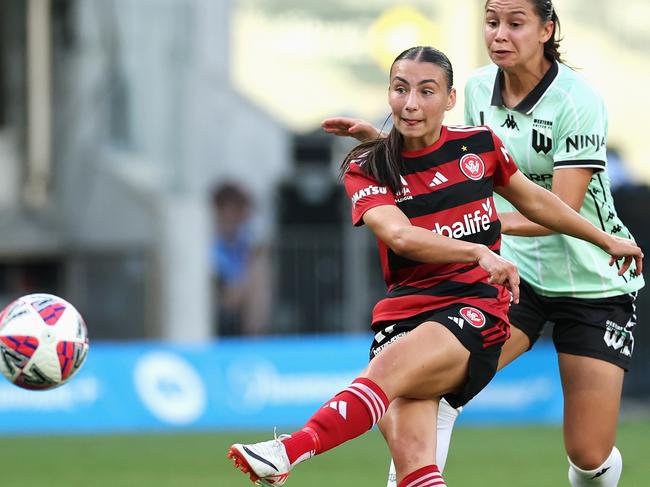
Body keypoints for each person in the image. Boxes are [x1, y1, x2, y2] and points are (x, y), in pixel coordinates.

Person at [227, 46, 643, 487]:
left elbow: (540, 202)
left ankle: (286, 452)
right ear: (388, 93)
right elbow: (400, 235)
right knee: (414, 468)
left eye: (427, 91)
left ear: (449, 99)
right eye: (401, 89)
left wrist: (603, 239)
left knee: (384, 374)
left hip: (473, 309)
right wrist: (478, 250)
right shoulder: (366, 165)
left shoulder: (478, 146)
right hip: (402, 314)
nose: (411, 103)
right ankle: (293, 455)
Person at [211, 182, 271, 336]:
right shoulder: (210, 242)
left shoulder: (244, 240)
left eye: (242, 211)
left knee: (258, 272)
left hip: (241, 302)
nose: (241, 216)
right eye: (235, 210)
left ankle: (255, 336)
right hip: (217, 303)